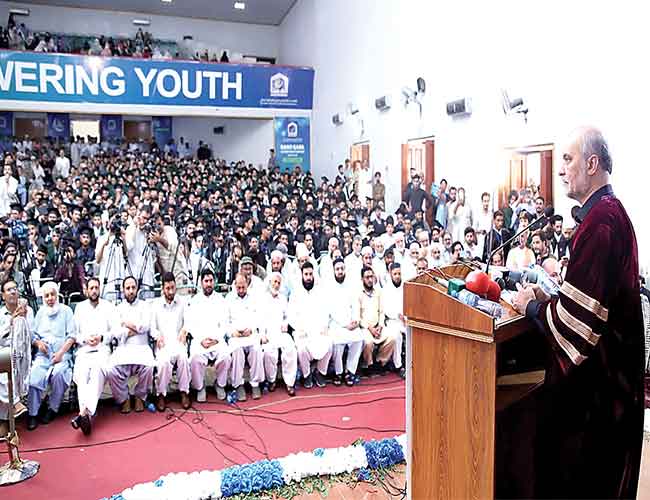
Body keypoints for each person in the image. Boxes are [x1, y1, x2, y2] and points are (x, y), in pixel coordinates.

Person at [513, 127, 644, 499]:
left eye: (568, 159)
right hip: (612, 389)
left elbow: (578, 328)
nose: (560, 170)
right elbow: (589, 301)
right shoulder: (609, 214)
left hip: (599, 399)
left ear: (592, 163)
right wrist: (550, 298)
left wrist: (530, 306)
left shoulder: (601, 224)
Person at [27, 281, 76, 430]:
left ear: (57, 295)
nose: (50, 298)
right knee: (34, 377)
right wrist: (38, 343)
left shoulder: (66, 311)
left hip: (62, 355)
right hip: (43, 356)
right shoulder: (40, 313)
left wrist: (60, 354)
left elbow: (72, 337)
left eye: (52, 295)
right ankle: (33, 413)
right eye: (46, 296)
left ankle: (53, 408)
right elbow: (34, 336)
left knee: (59, 374)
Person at [71, 277, 115, 435]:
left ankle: (83, 413)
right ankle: (86, 414)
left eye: (96, 288)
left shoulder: (108, 306)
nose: (94, 291)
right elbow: (74, 334)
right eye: (91, 288)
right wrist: (85, 339)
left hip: (102, 349)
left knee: (97, 372)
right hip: (84, 349)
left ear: (100, 289)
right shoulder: (80, 308)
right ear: (86, 290)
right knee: (82, 374)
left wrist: (102, 338)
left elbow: (115, 331)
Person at [107, 276, 154, 414]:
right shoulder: (117, 309)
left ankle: (140, 396)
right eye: (128, 288)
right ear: (123, 290)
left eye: (133, 287)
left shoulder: (145, 306)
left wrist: (127, 324)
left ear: (137, 288)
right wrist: (133, 331)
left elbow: (146, 326)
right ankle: (124, 398)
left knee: (149, 367)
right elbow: (116, 332)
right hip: (123, 348)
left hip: (142, 347)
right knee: (111, 370)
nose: (131, 291)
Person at [187, 268, 231, 402]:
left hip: (217, 340)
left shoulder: (221, 300)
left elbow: (225, 322)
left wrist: (216, 339)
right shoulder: (194, 301)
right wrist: (201, 339)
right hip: (200, 341)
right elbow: (191, 324)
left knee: (226, 357)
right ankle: (200, 387)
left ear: (214, 282)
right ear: (201, 283)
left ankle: (220, 384)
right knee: (195, 358)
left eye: (211, 281)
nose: (209, 284)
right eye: (206, 281)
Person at [287, 262, 332, 388]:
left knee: (329, 344)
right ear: (302, 275)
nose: (308, 277)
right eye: (306, 274)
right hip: (301, 329)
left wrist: (324, 325)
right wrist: (299, 328)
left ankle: (321, 372)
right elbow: (291, 315)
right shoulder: (296, 293)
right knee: (301, 348)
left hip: (318, 327)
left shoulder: (320, 291)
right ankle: (307, 374)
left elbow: (325, 310)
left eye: (310, 274)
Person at [150, 272, 191, 411]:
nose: (171, 291)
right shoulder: (155, 305)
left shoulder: (182, 302)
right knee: (164, 362)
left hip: (178, 342)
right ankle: (161, 394)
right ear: (162, 289)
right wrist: (157, 336)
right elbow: (152, 328)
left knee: (183, 358)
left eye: (173, 288)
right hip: (163, 344)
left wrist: (184, 330)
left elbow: (188, 322)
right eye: (167, 288)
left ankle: (184, 392)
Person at [0, 279, 33, 437]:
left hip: (22, 353)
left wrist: (23, 318)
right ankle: (11, 410)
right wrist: (12, 320)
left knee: (11, 367)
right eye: (9, 290)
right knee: (4, 371)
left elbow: (31, 336)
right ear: (3, 296)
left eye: (15, 288)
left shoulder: (28, 310)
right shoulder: (1, 314)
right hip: (3, 351)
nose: (13, 291)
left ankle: (5, 420)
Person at [226, 273, 264, 401]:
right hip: (236, 336)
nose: (241, 290)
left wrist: (251, 329)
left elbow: (258, 317)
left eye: (243, 287)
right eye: (239, 287)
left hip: (250, 334)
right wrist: (232, 332)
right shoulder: (229, 299)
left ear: (247, 285)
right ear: (235, 285)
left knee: (256, 349)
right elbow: (225, 321)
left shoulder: (254, 298)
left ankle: (255, 384)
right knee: (237, 351)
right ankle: (238, 384)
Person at [327, 258, 364, 386]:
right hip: (336, 324)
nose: (340, 271)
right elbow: (331, 311)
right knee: (337, 342)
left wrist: (355, 320)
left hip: (351, 323)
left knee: (358, 339)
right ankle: (338, 372)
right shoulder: (329, 287)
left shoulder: (351, 285)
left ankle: (349, 370)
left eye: (342, 268)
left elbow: (355, 304)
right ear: (333, 271)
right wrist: (345, 324)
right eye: (337, 269)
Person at [260, 272, 297, 396]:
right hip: (268, 333)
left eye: (278, 283)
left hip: (281, 332)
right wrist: (262, 335)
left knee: (290, 348)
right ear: (269, 282)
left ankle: (290, 382)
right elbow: (259, 319)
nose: (276, 285)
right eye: (274, 282)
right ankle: (271, 380)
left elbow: (288, 315)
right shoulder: (263, 298)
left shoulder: (283, 298)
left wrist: (286, 323)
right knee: (268, 352)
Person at [359, 266, 396, 374]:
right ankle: (368, 365)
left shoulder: (378, 292)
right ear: (362, 279)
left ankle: (380, 361)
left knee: (392, 337)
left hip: (378, 326)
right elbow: (358, 317)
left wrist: (380, 325)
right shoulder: (358, 294)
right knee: (368, 342)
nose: (370, 280)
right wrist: (370, 328)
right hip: (365, 328)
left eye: (371, 277)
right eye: (367, 277)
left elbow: (381, 311)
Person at [382, 263, 406, 378]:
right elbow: (385, 309)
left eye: (399, 273)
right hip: (392, 320)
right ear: (390, 274)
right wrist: (397, 315)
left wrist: (405, 317)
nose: (397, 276)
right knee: (397, 336)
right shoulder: (386, 289)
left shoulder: (406, 286)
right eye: (395, 274)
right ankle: (398, 365)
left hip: (405, 319)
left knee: (414, 332)